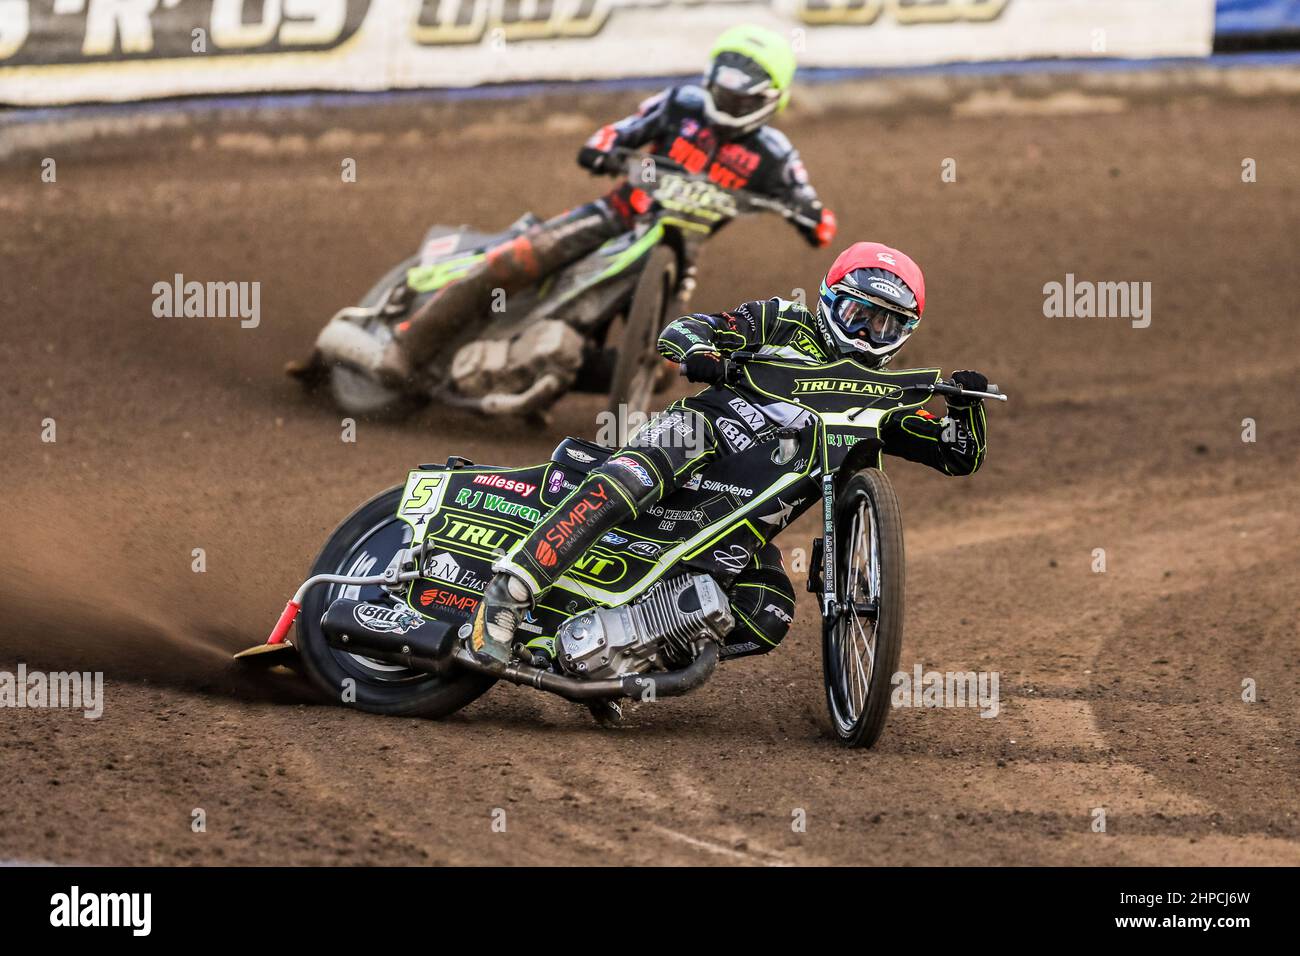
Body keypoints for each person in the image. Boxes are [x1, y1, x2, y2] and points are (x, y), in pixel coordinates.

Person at [470, 240, 991, 666]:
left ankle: (622, 655)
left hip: (738, 523)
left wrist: (967, 405)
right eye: (858, 314)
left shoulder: (883, 398)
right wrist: (701, 354)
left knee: (770, 609)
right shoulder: (782, 321)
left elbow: (958, 454)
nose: (866, 334)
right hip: (704, 430)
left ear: (905, 334)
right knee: (637, 474)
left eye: (885, 326)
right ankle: (510, 590)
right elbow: (687, 328)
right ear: (828, 299)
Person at [377, 24, 837, 382]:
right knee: (515, 261)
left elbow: (819, 217)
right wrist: (603, 149)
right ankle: (407, 347)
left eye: (743, 94)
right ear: (710, 78)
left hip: (682, 253)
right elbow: (614, 132)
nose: (730, 98)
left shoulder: (775, 156)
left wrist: (812, 218)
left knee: (665, 364)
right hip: (615, 216)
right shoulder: (681, 103)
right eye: (725, 87)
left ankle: (544, 372)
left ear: (771, 98)